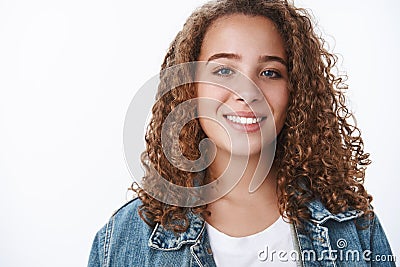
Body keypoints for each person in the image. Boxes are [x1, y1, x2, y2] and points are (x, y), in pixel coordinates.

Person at [88, 0, 395, 266]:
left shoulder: (353, 226)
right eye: (224, 71)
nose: (247, 93)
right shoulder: (124, 238)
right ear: (190, 87)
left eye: (270, 72)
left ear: (296, 92)